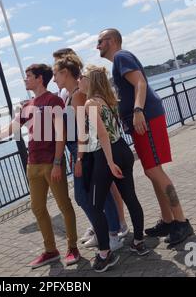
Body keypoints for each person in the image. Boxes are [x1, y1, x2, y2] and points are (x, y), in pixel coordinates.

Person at [0, 64, 80, 268]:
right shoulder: (28, 104)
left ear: (39, 78)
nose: (25, 79)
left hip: (51, 163)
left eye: (28, 76)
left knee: (64, 205)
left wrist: (56, 162)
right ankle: (50, 250)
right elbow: (10, 129)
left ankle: (72, 248)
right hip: (33, 164)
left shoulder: (53, 100)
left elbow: (61, 133)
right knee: (37, 208)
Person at [97, 28, 194, 245]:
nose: (97, 46)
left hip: (146, 119)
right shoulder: (119, 62)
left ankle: (182, 221)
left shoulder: (121, 57)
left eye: (100, 41)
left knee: (153, 170)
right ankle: (168, 220)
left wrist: (138, 111)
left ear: (111, 41)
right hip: (142, 120)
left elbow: (140, 82)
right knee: (152, 172)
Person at [53, 48, 129, 246]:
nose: (54, 79)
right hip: (80, 150)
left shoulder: (78, 96)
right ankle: (105, 230)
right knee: (93, 196)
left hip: (84, 151)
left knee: (89, 196)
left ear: (65, 73)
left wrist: (79, 157)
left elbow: (84, 130)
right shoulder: (71, 95)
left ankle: (111, 231)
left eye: (55, 74)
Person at [78, 65, 148, 273]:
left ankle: (105, 254)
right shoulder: (109, 100)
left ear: (90, 80)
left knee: (95, 206)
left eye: (81, 77)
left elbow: (102, 135)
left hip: (107, 156)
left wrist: (109, 163)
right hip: (123, 150)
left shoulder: (91, 103)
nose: (79, 80)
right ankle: (138, 242)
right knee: (130, 197)